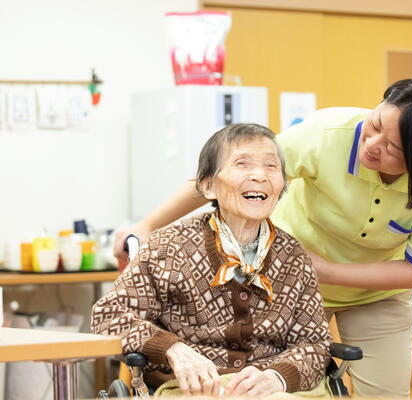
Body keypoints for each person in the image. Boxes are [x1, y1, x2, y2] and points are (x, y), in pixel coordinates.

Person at [114, 77, 412, 397]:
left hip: (375, 291)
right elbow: (235, 173)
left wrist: (324, 270)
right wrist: (147, 225)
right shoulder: (326, 133)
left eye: (393, 148)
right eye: (375, 124)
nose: (373, 144)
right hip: (289, 286)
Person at [93, 123, 332, 397]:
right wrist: (173, 349)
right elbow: (109, 315)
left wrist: (278, 377)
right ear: (208, 186)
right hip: (194, 388)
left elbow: (314, 344)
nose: (259, 176)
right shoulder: (168, 247)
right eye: (242, 164)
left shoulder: (293, 257)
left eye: (271, 166)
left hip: (273, 391)